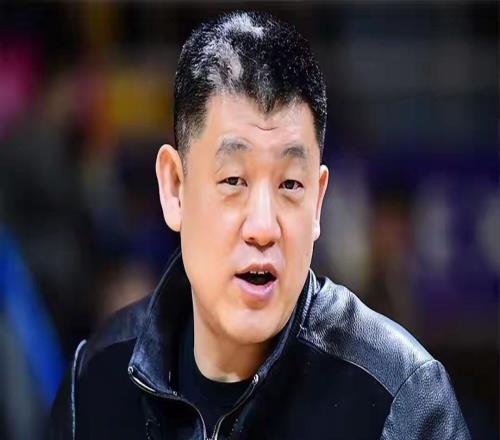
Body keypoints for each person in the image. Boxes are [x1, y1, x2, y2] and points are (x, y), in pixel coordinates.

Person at [47, 11, 470, 440]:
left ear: (317, 201)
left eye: (290, 185)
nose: (264, 228)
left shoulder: (400, 401)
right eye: (234, 181)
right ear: (174, 187)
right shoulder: (95, 381)